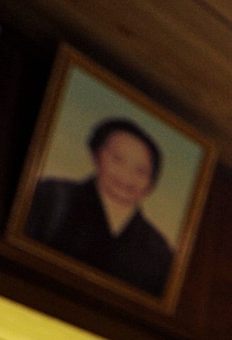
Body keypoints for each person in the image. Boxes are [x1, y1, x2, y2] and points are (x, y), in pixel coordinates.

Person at [23, 117, 178, 298]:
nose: (126, 176)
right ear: (96, 155)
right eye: (118, 160)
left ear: (151, 183)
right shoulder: (52, 197)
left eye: (140, 171)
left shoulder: (158, 251)